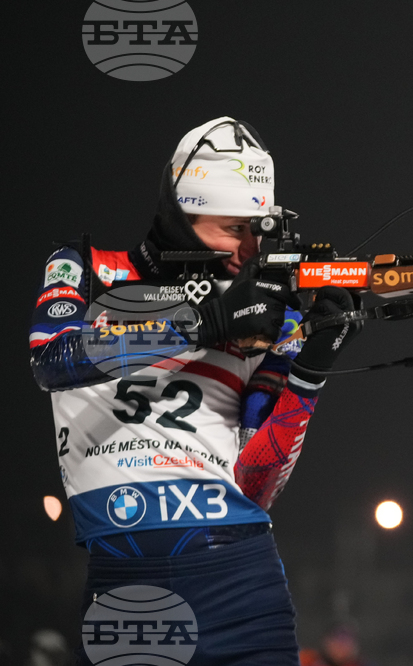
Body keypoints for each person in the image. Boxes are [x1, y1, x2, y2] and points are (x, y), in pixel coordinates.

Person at [29, 117, 360, 664]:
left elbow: (255, 486)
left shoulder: (262, 310)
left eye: (259, 229)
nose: (250, 248)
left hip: (242, 585)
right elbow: (52, 359)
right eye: (234, 228)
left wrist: (309, 371)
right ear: (182, 214)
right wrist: (203, 324)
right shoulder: (88, 269)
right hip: (124, 592)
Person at [299, 623, 371, 666]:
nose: (342, 648)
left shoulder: (360, 664)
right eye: (338, 643)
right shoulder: (307, 660)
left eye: (346, 644)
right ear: (326, 642)